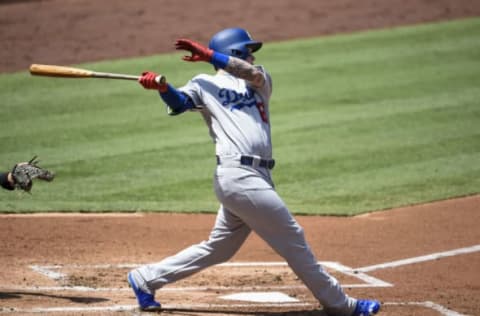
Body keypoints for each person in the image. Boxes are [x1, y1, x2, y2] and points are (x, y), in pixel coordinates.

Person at [129, 28, 380, 316]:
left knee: (220, 248)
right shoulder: (202, 84)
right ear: (235, 50)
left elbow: (249, 71)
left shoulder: (258, 80)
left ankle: (145, 278)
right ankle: (342, 306)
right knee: (292, 238)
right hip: (237, 175)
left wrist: (210, 55)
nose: (252, 55)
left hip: (257, 177)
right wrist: (163, 89)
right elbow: (180, 103)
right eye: (247, 50)